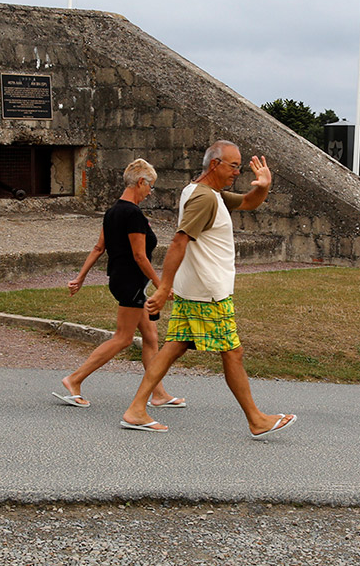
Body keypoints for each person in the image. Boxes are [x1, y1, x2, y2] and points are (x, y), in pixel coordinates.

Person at [119, 140, 296, 437]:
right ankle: (256, 419)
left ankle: (136, 409)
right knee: (233, 353)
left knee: (173, 348)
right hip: (209, 294)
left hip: (197, 290)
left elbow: (250, 202)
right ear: (214, 164)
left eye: (239, 166)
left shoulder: (206, 192)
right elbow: (178, 242)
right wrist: (163, 288)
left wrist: (264, 185)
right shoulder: (205, 199)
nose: (237, 172)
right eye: (233, 166)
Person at [53, 158, 185, 409]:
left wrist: (80, 278)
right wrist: (161, 285)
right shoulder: (133, 213)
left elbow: (98, 247)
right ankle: (74, 379)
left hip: (124, 281)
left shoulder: (113, 211)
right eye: (151, 186)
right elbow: (139, 256)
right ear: (141, 182)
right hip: (131, 283)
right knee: (123, 338)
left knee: (150, 336)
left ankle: (158, 394)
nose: (150, 192)